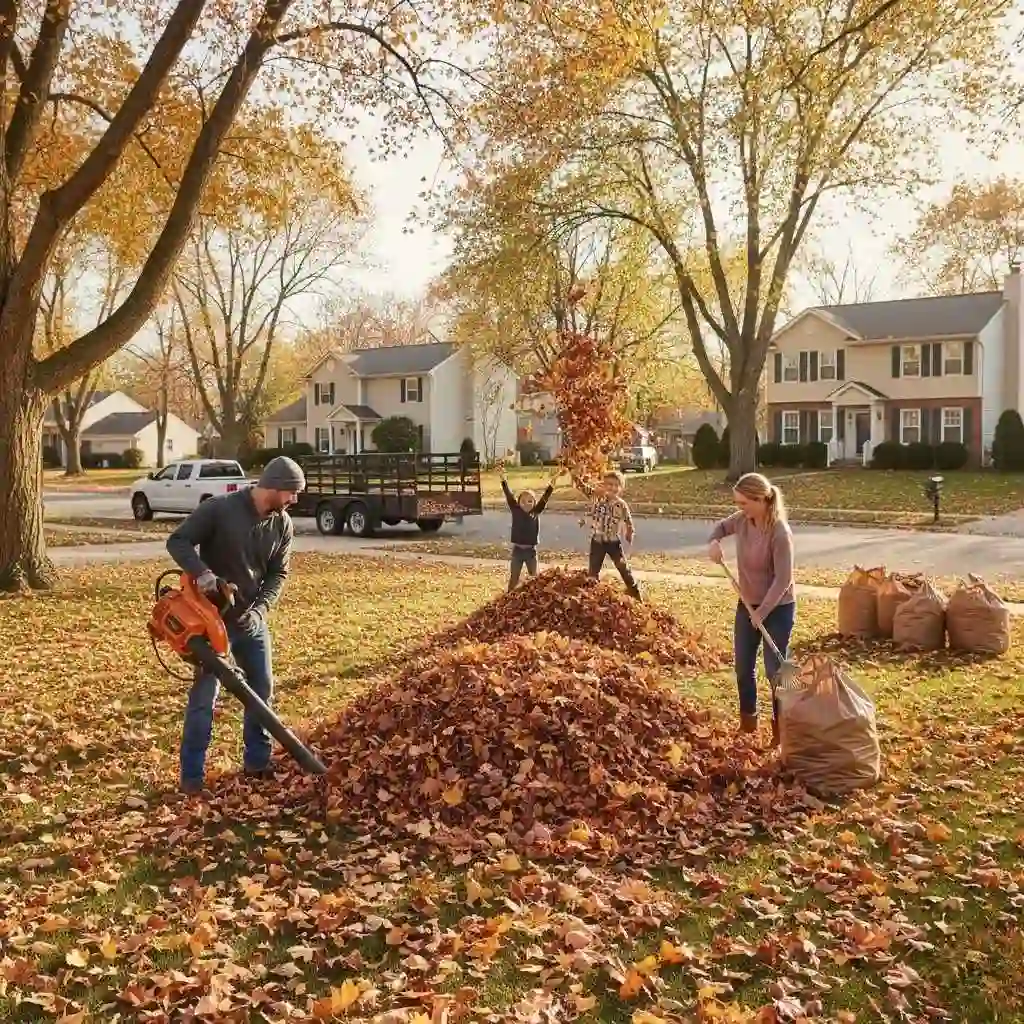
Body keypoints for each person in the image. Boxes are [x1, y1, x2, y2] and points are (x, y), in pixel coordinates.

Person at [165, 455, 305, 794]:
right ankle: (192, 779)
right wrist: (204, 573)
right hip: (210, 624)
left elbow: (278, 574)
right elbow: (178, 541)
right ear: (273, 487)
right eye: (292, 493)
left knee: (262, 691)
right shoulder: (220, 509)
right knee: (204, 700)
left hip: (250, 622)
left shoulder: (281, 524)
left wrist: (260, 611)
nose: (294, 501)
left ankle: (257, 763)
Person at [707, 472, 795, 743]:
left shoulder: (780, 533)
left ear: (761, 500)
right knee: (743, 667)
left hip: (778, 607)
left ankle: (783, 731)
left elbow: (784, 579)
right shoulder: (743, 520)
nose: (739, 509)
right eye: (737, 503)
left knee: (775, 672)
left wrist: (762, 612)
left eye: (744, 503)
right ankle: (748, 725)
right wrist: (714, 542)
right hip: (747, 604)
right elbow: (721, 527)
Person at [578, 468, 642, 600]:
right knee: (593, 569)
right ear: (603, 485)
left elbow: (628, 521)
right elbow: (582, 487)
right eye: (608, 484)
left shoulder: (621, 505)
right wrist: (576, 475)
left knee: (623, 567)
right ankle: (590, 596)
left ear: (620, 488)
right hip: (597, 541)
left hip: (613, 542)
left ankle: (634, 592)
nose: (612, 488)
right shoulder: (596, 496)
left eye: (616, 485)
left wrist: (629, 533)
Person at [500, 464, 563, 590]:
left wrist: (553, 481)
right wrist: (502, 477)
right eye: (523, 501)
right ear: (518, 503)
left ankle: (533, 600)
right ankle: (508, 600)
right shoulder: (516, 510)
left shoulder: (536, 511)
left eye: (530, 501)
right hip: (517, 551)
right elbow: (508, 494)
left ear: (534, 503)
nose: (526, 504)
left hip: (531, 552)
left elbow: (546, 497)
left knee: (534, 579)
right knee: (514, 578)